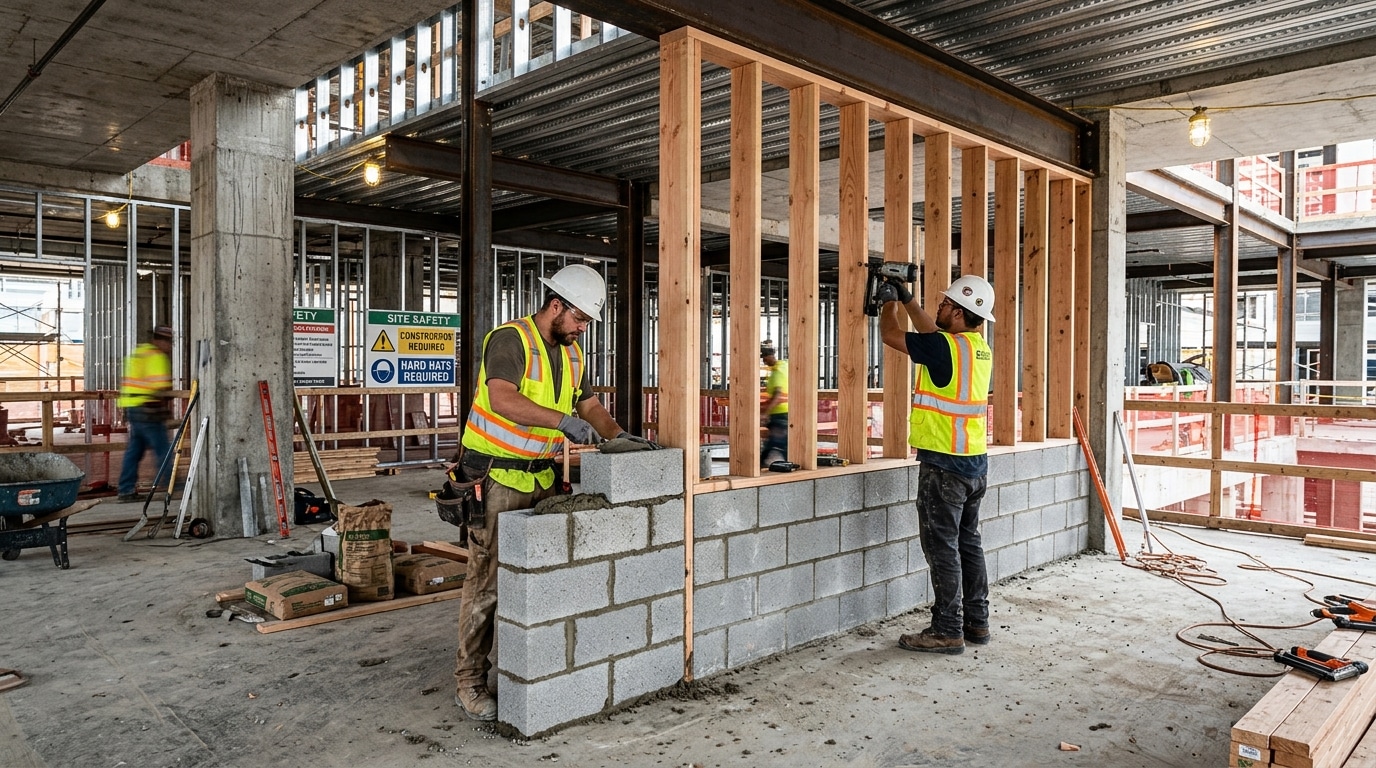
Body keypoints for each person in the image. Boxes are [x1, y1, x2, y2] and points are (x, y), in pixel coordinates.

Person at [451, 263, 650, 721]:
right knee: (488, 583)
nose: (582, 329)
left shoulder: (570, 352)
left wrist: (618, 436)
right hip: (495, 479)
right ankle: (470, 682)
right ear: (556, 306)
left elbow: (589, 404)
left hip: (541, 476)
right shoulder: (511, 340)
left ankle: (530, 672)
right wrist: (561, 422)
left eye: (586, 323)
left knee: (539, 579)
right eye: (579, 319)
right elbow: (501, 398)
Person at [876, 274, 995, 655]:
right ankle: (976, 623)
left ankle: (947, 629)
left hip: (944, 464)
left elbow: (891, 336)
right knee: (968, 543)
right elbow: (933, 334)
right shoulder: (976, 347)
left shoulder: (947, 348)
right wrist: (910, 298)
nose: (938, 307)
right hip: (973, 463)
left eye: (945, 305)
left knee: (942, 547)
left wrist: (888, 302)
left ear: (959, 314)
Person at [117, 325, 175, 502]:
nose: (170, 347)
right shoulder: (157, 357)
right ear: (161, 341)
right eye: (169, 343)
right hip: (149, 409)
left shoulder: (138, 352)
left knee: (134, 450)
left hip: (132, 408)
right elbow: (162, 388)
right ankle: (173, 487)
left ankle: (126, 489)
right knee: (163, 448)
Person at [759, 343, 789, 467]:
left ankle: (760, 463)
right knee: (779, 440)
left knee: (776, 440)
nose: (764, 362)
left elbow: (777, 394)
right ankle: (762, 462)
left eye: (764, 358)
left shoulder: (778, 372)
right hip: (784, 412)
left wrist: (765, 413)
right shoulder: (784, 366)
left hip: (780, 413)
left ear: (769, 356)